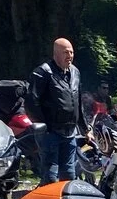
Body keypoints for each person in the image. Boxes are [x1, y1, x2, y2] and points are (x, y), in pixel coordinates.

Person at [27, 37, 81, 182]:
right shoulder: (43, 72)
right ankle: (45, 197)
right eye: (65, 52)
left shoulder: (75, 72)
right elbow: (31, 102)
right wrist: (43, 126)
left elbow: (78, 101)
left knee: (69, 175)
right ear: (55, 54)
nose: (69, 56)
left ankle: (64, 198)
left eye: (71, 52)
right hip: (50, 133)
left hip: (70, 132)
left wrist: (85, 128)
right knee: (50, 175)